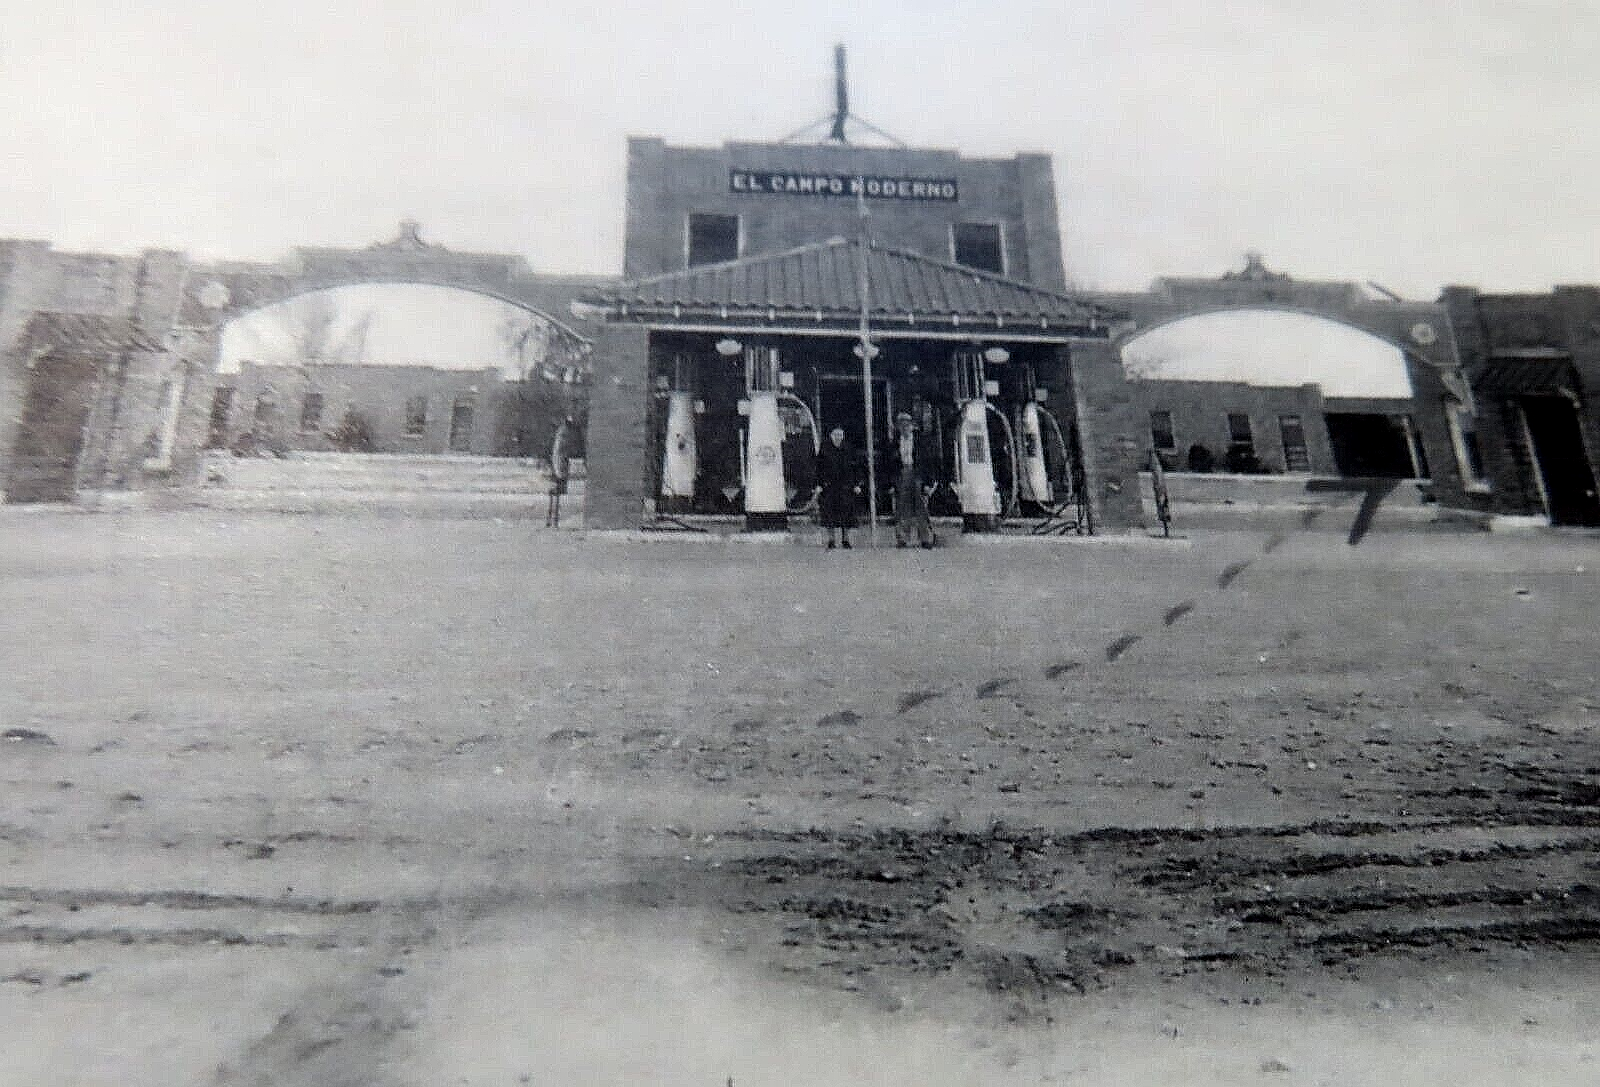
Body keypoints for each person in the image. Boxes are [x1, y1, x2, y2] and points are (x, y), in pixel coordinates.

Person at [892, 410, 936, 549]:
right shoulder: (894, 442)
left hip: (917, 474)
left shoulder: (920, 442)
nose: (904, 428)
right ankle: (903, 538)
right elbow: (889, 464)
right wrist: (891, 483)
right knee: (902, 507)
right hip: (902, 473)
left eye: (907, 425)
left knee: (921, 506)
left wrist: (928, 482)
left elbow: (928, 462)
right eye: (901, 425)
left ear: (912, 426)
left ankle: (926, 538)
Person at [814, 426, 859, 549]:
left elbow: (855, 467)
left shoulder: (848, 449)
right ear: (831, 436)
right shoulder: (824, 449)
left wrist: (856, 484)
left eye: (840, 435)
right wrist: (819, 484)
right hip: (829, 486)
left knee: (847, 513)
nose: (838, 437)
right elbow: (818, 468)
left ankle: (846, 539)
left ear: (843, 436)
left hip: (846, 486)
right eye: (836, 435)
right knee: (829, 513)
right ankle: (831, 539)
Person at [546, 415, 575, 527]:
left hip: (558, 464)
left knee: (555, 494)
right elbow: (561, 451)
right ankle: (553, 520)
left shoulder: (562, 433)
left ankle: (551, 520)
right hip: (559, 465)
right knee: (556, 493)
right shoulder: (564, 434)